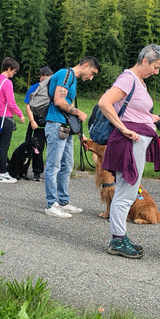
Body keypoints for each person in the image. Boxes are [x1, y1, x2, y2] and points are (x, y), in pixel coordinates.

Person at [99, 45, 160, 257]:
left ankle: (120, 236)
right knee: (127, 192)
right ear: (145, 60)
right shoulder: (128, 78)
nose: (156, 72)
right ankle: (117, 240)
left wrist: (154, 118)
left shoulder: (139, 81)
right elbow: (104, 103)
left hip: (137, 140)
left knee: (126, 191)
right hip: (129, 142)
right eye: (156, 67)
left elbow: (135, 111)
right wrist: (123, 128)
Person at [43, 56, 100, 218]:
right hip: (56, 124)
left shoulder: (72, 79)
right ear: (86, 65)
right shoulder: (65, 74)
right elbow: (59, 100)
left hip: (66, 126)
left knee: (67, 165)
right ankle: (51, 204)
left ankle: (63, 201)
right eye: (92, 73)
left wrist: (81, 134)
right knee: (53, 166)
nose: (91, 78)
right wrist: (78, 112)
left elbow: (68, 108)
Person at [0, 57, 25, 184]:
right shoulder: (7, 83)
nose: (14, 74)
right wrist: (20, 115)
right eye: (14, 71)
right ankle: (3, 173)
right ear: (9, 68)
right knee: (4, 146)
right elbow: (11, 102)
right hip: (6, 117)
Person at [23, 66, 53, 181]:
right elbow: (28, 105)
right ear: (39, 77)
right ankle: (37, 172)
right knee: (37, 148)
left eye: (47, 76)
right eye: (42, 76)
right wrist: (32, 121)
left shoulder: (55, 88)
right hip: (36, 120)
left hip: (50, 120)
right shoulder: (34, 88)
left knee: (53, 149)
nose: (44, 78)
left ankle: (52, 173)